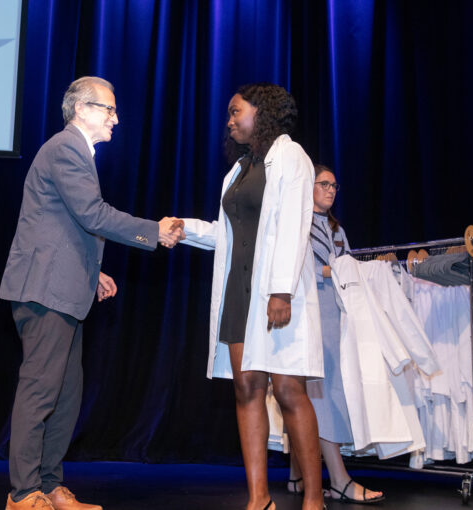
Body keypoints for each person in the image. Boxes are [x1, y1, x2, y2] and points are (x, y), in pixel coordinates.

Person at [0, 76, 184, 510]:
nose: (115, 119)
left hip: (64, 289)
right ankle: (23, 494)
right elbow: (91, 213)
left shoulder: (78, 152)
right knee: (41, 390)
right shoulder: (66, 147)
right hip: (44, 291)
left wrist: (92, 272)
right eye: (109, 109)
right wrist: (152, 231)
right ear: (81, 108)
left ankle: (50, 485)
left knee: (66, 395)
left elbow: (66, 224)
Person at [180, 83, 324, 510]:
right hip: (239, 294)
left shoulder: (291, 156)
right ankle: (259, 499)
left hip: (276, 294)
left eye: (235, 111)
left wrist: (281, 291)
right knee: (246, 388)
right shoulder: (240, 169)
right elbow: (227, 236)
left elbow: (296, 228)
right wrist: (181, 228)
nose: (229, 120)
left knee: (287, 389)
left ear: (261, 112)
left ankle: (314, 498)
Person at [284, 164, 385, 504]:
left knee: (316, 394)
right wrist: (336, 269)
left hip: (335, 317)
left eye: (334, 186)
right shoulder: (296, 222)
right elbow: (297, 268)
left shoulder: (335, 228)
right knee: (314, 395)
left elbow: (346, 267)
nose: (330, 190)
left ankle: (298, 471)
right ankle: (338, 479)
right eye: (323, 184)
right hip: (306, 318)